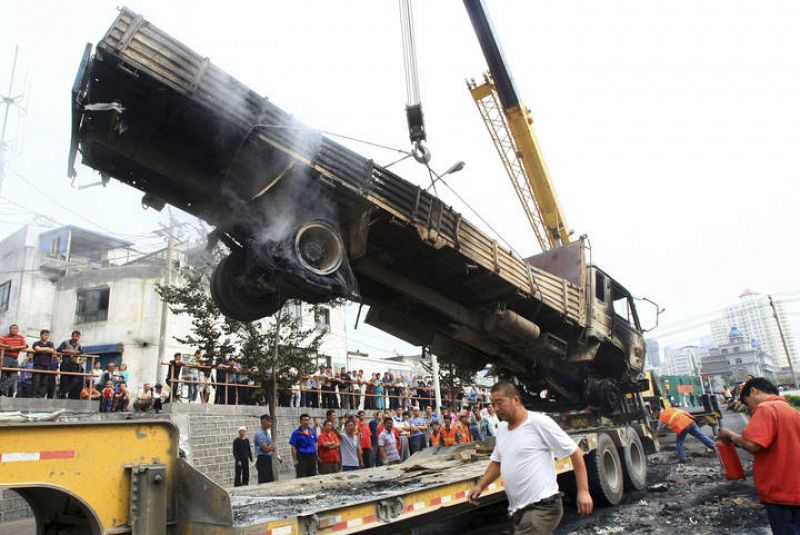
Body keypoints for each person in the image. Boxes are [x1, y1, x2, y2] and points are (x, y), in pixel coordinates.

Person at [469, 381, 593, 535]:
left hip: (543, 508)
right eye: (493, 404)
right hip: (518, 512)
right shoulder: (501, 429)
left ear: (515, 400)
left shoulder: (538, 422)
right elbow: (497, 462)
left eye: (500, 403)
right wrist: (480, 486)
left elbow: (575, 452)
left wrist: (583, 491)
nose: (496, 409)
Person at [718, 378, 800, 535]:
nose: (750, 408)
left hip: (780, 489)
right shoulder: (790, 410)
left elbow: (752, 444)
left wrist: (730, 435)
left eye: (748, 403)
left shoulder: (765, 408)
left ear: (754, 391)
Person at [0, 324, 28, 397]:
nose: (14, 330)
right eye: (12, 328)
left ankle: (1, 390)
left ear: (18, 330)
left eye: (15, 328)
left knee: (15, 375)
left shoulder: (20, 337)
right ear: (9, 330)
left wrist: (16, 347)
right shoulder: (5, 337)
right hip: (6, 357)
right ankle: (3, 393)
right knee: (4, 375)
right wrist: (8, 347)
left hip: (15, 359)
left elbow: (25, 345)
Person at [290, 414, 318, 478]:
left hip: (312, 457)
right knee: (302, 476)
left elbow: (315, 443)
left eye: (307, 420)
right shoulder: (296, 433)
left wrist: (316, 454)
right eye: (304, 420)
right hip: (302, 457)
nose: (306, 422)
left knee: (312, 475)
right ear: (300, 421)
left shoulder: (312, 431)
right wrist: (295, 460)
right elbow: (293, 447)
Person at [31, 329, 56, 398]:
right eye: (45, 335)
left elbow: (52, 350)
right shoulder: (36, 343)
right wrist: (46, 349)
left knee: (44, 382)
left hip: (47, 365)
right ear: (41, 335)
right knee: (36, 381)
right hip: (37, 364)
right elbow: (37, 349)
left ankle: (40, 396)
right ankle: (33, 396)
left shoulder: (50, 343)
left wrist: (43, 349)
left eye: (48, 335)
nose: (46, 337)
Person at [253, 415, 275, 484]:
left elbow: (270, 446)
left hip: (268, 458)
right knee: (263, 480)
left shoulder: (267, 433)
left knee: (270, 479)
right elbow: (265, 449)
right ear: (263, 421)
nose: (270, 424)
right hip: (262, 459)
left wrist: (270, 448)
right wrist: (270, 448)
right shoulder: (259, 434)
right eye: (269, 422)